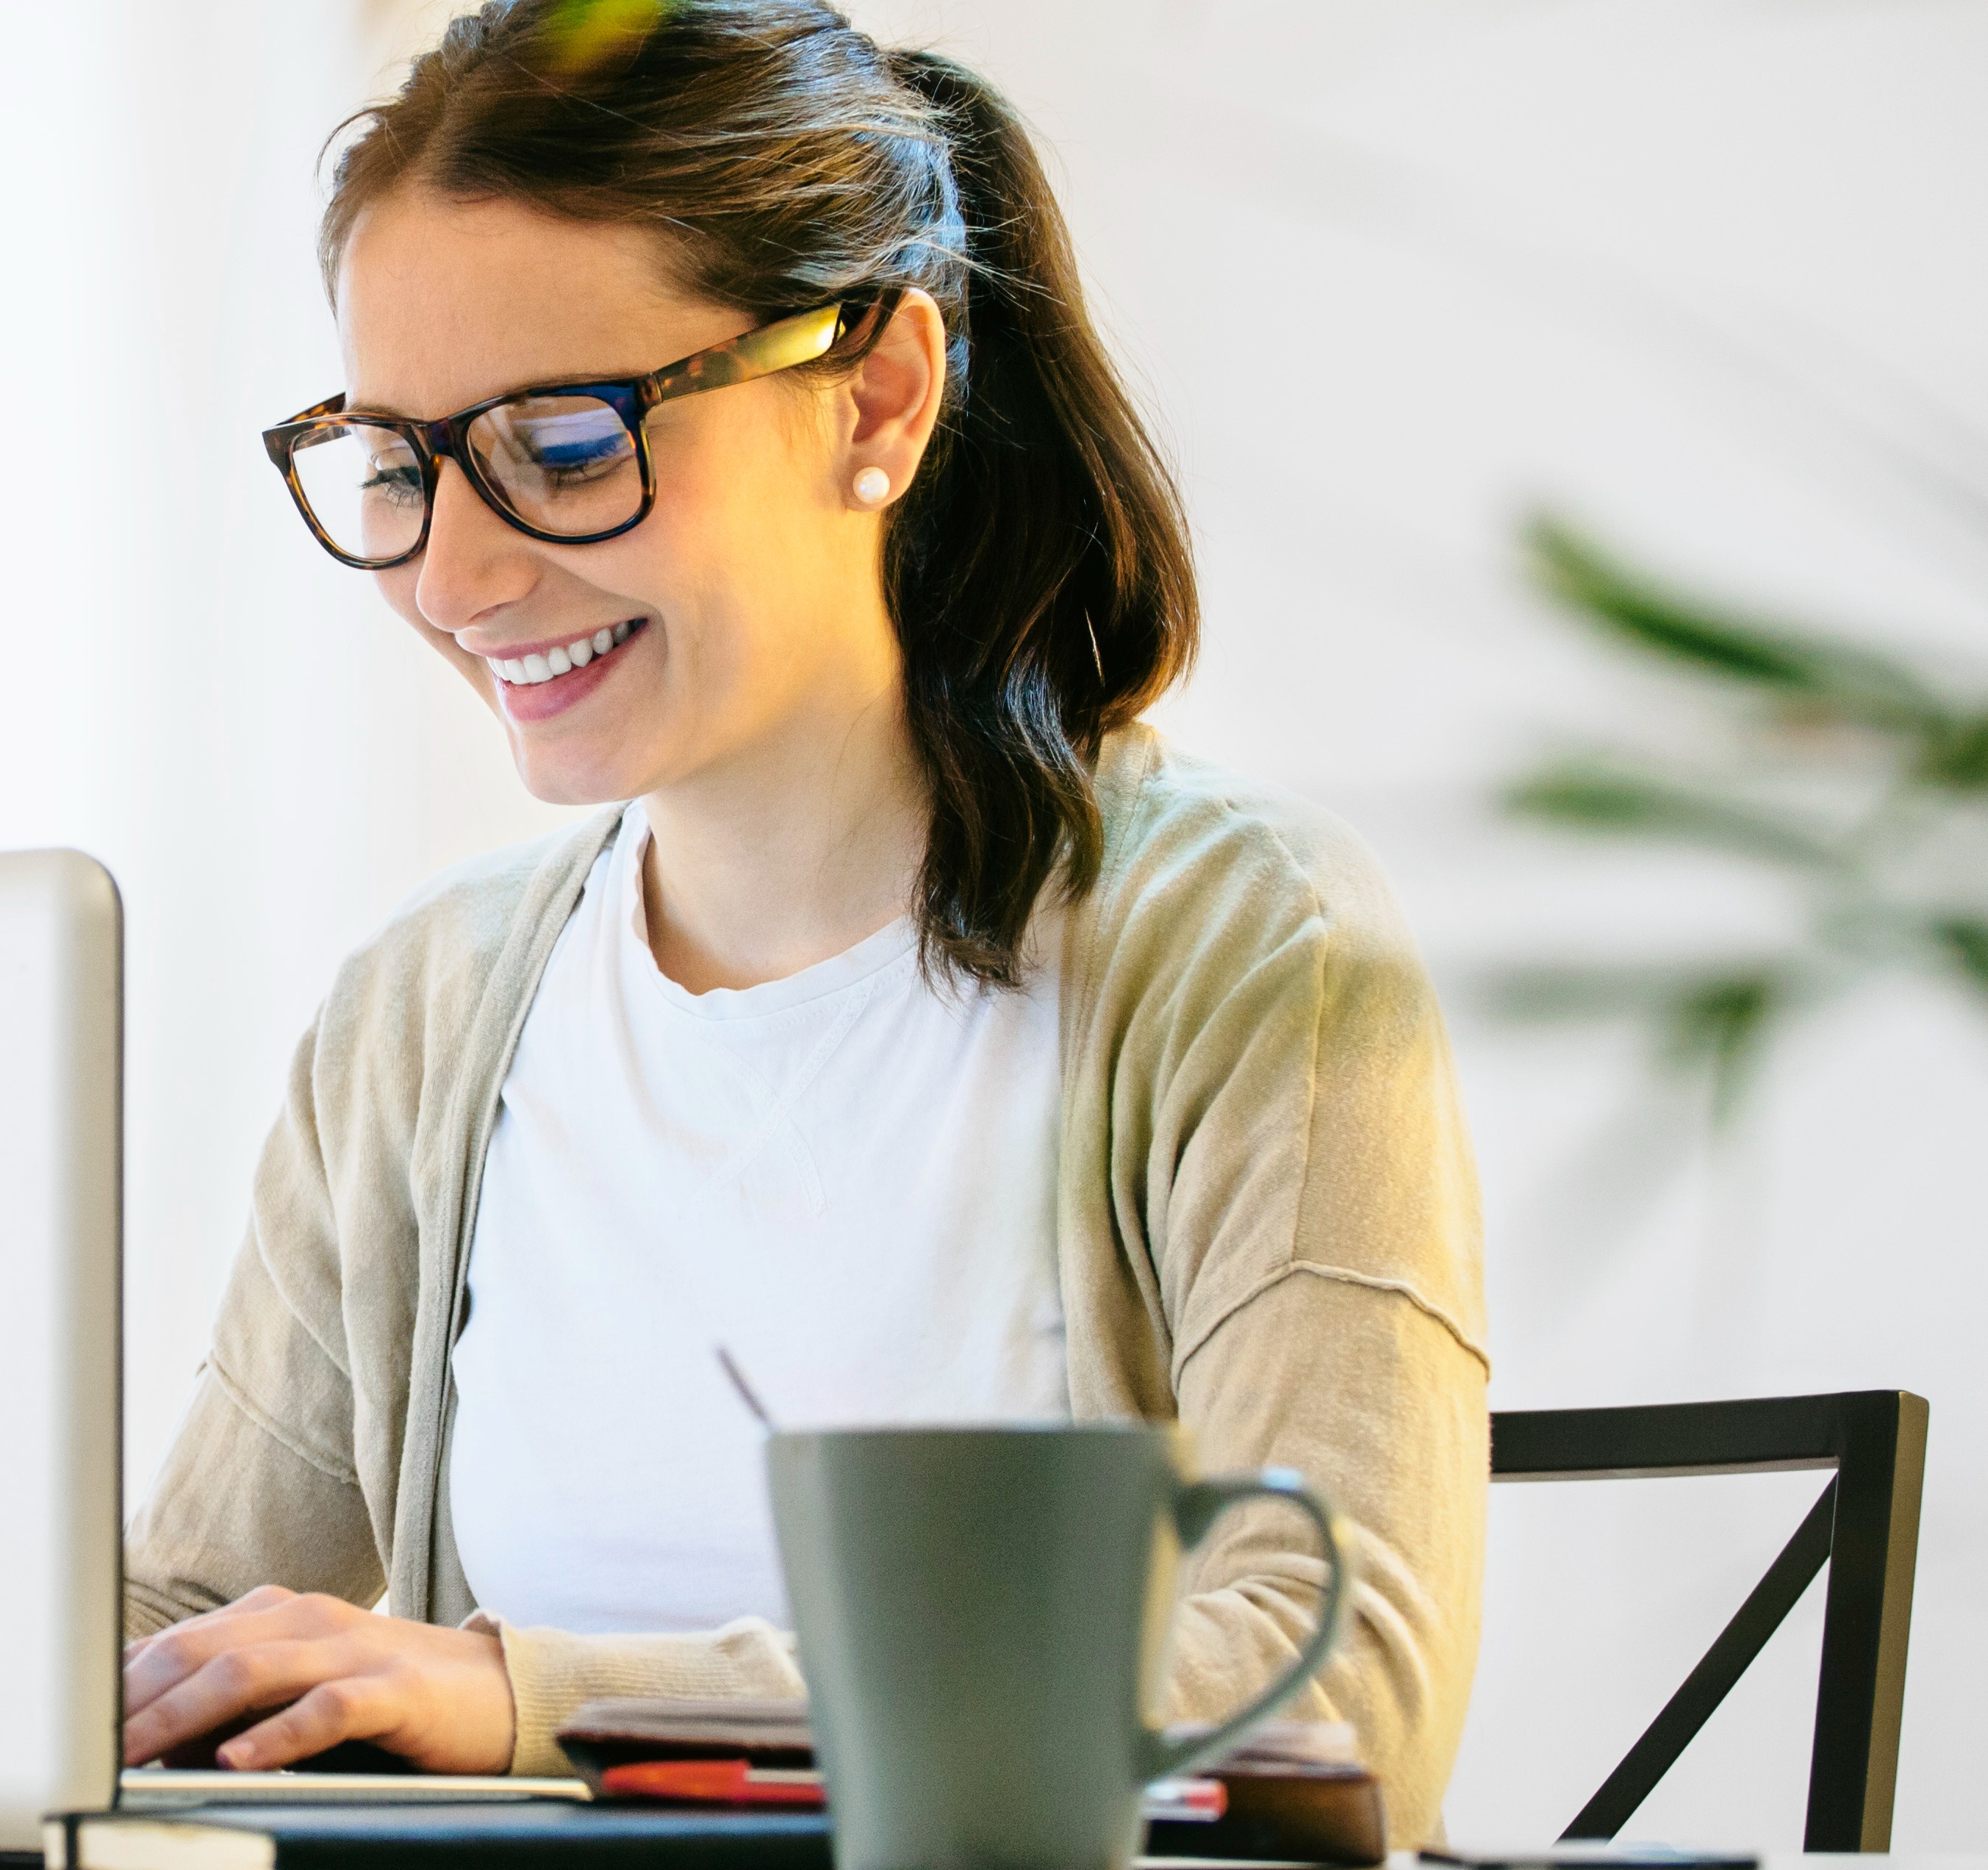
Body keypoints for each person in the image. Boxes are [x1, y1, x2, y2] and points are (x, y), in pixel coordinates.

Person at [116, 0, 1490, 1844]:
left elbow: (1332, 1699)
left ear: (880, 397)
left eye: (565, 439)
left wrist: (533, 1697)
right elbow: (179, 1632)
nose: (453, 574)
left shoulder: (1250, 948)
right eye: (395, 461)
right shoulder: (428, 1010)